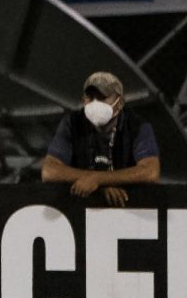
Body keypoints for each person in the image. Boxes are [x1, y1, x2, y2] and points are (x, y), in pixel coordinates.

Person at [41, 71, 160, 206]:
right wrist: (98, 183)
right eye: (90, 97)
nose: (95, 103)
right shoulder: (72, 123)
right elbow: (49, 171)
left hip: (129, 207)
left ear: (119, 103)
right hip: (80, 207)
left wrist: (97, 179)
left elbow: (151, 171)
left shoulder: (137, 126)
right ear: (83, 100)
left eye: (103, 97)